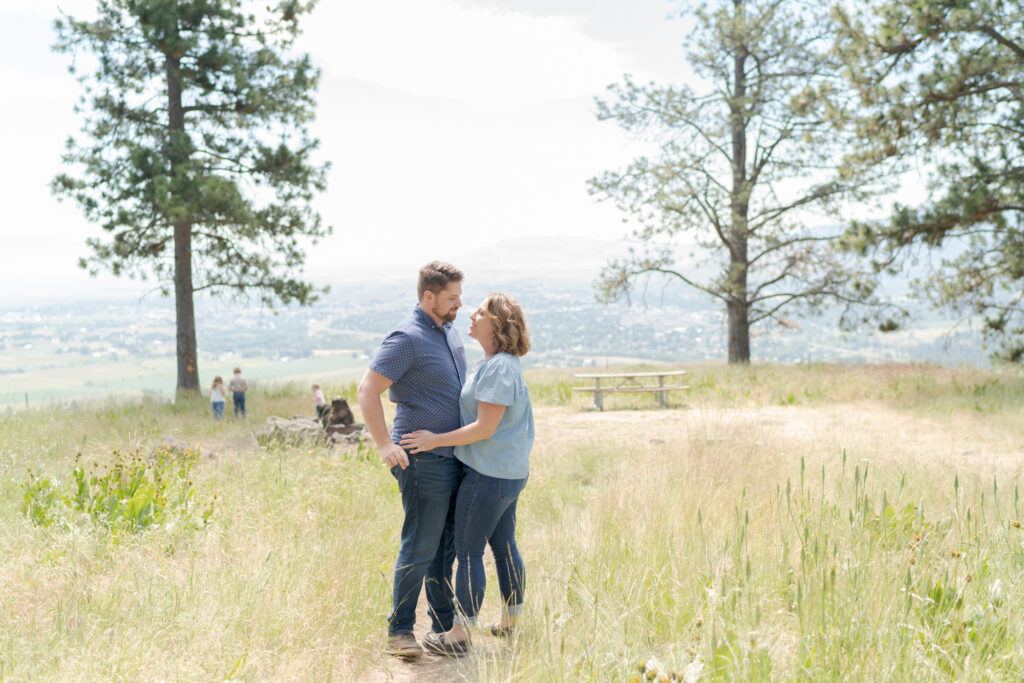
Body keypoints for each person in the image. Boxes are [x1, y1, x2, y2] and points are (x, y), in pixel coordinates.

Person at [400, 292, 534, 657]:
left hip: (488, 474)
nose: (471, 315)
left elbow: (484, 428)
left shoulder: (500, 368)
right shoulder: (494, 364)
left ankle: (459, 634)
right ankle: (511, 620)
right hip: (505, 472)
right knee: (504, 545)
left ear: (499, 324)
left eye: (481, 312)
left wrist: (434, 440)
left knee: (469, 551)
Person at [356, 261, 467, 658]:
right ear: (428, 297)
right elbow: (367, 390)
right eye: (452, 298)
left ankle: (443, 630)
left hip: (454, 458)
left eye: (459, 296)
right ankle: (400, 632)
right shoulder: (406, 337)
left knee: (444, 551)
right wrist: (385, 443)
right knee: (420, 545)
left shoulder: (450, 331)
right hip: (421, 463)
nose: (459, 304)